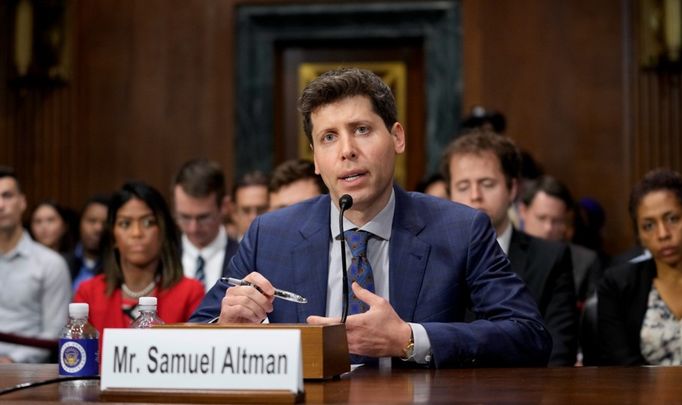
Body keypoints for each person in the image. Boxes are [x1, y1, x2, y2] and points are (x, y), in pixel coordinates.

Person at [191, 67, 551, 367]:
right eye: (329, 137)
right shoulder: (271, 234)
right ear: (316, 159)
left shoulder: (460, 229)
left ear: (396, 137)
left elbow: (529, 335)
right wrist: (226, 325)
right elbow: (194, 336)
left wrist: (409, 338)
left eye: (361, 130)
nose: (347, 151)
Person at [441, 130, 577, 366]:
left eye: (487, 184)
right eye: (463, 186)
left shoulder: (551, 258)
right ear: (449, 193)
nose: (475, 196)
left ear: (512, 189)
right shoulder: (432, 258)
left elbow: (558, 353)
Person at [598, 168, 682, 365]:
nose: (663, 234)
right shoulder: (616, 285)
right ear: (639, 235)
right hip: (638, 395)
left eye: (672, 219)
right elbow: (620, 367)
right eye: (648, 225)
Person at [74, 182, 205, 339]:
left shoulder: (190, 293)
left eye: (147, 222)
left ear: (163, 231)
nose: (136, 233)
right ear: (113, 235)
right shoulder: (88, 294)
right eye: (125, 223)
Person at [0, 167, 71, 363]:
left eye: (7, 196)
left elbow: (55, 332)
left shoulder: (51, 264)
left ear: (22, 202)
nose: (0, 205)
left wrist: (11, 361)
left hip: (26, 374)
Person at [518, 175, 603, 305]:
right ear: (523, 211)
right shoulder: (502, 251)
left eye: (557, 221)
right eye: (541, 218)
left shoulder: (585, 261)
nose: (548, 228)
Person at [172, 159, 239, 292]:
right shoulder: (162, 260)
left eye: (203, 218)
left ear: (224, 207)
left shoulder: (242, 258)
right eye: (185, 217)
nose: (193, 228)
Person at [64, 195, 110, 292]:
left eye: (105, 223)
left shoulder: (117, 267)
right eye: (92, 221)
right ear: (80, 223)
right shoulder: (63, 262)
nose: (98, 228)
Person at [231, 170, 269, 241]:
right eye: (246, 210)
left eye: (261, 210)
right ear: (234, 212)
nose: (253, 218)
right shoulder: (223, 251)